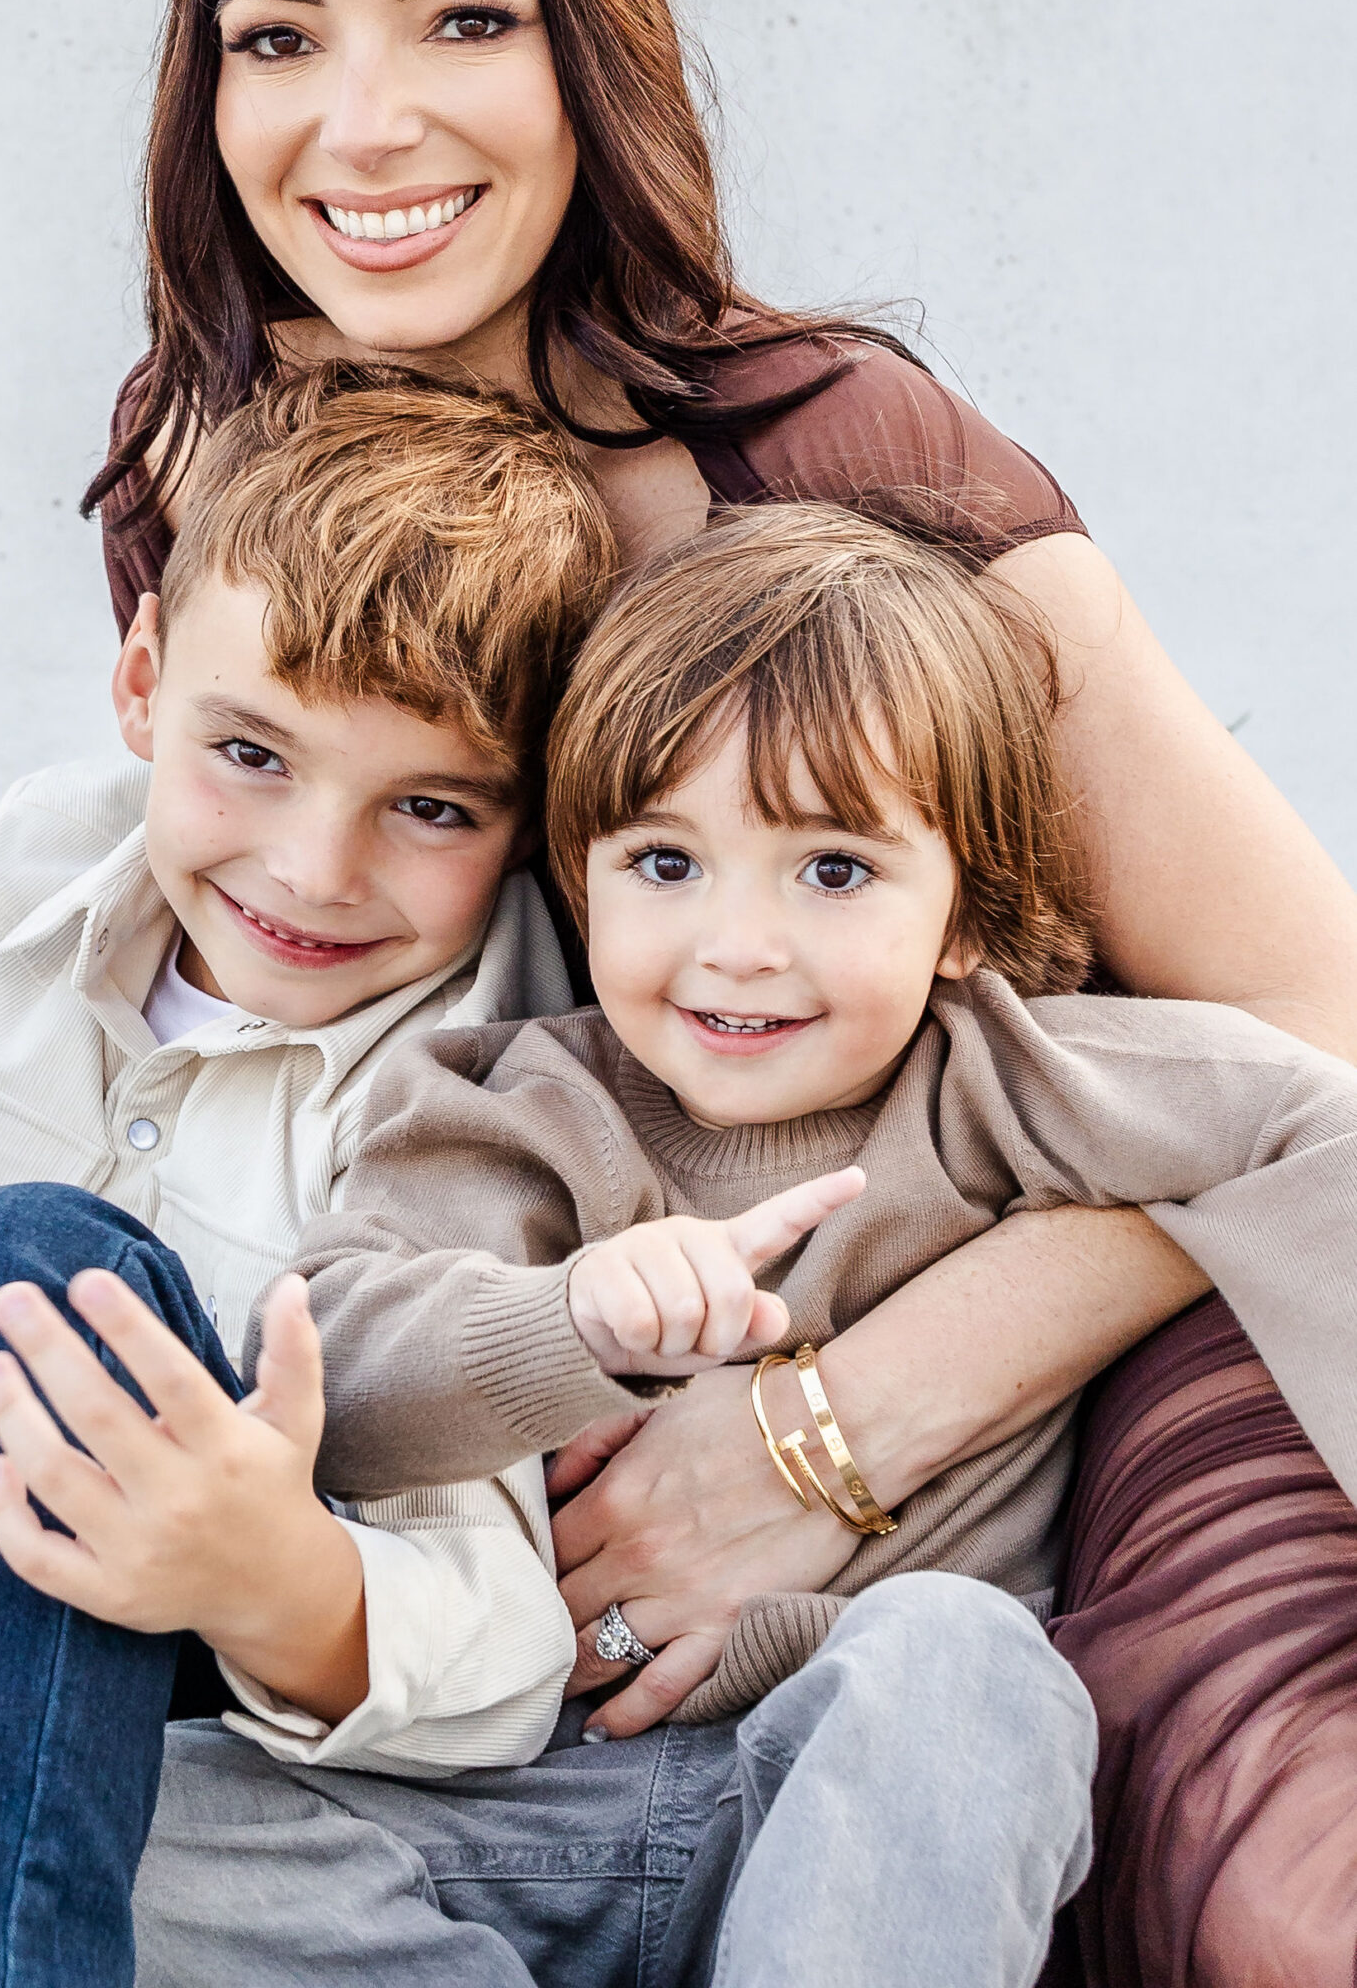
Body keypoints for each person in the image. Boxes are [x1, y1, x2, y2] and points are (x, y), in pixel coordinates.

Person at [84, 0, 1357, 1977]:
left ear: (587, 42)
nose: (359, 122)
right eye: (274, 39)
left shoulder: (844, 456)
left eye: (460, 17)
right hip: (545, 1369)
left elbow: (1315, 1032)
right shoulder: (215, 471)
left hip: (1081, 1303)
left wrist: (826, 1427)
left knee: (1276, 1908)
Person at [132, 501, 1357, 1988]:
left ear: (965, 906)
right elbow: (340, 1379)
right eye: (666, 862)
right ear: (578, 876)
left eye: (832, 870)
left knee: (964, 1661)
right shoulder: (522, 1102)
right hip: (521, 1802)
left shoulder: (1014, 1085)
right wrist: (572, 1321)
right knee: (163, 1817)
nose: (740, 943)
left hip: (861, 1810)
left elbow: (1326, 1131)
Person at [0, 366, 620, 1985]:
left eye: (429, 806)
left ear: (526, 829)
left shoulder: (474, 1109)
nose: (312, 866)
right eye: (250, 753)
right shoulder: (58, 859)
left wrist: (275, 1579)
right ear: (144, 680)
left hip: (187, 1769)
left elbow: (512, 1652)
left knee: (14, 1269)